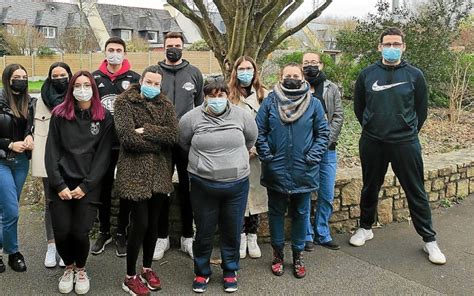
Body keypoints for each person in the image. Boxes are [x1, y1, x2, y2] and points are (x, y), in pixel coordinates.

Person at [350, 27, 446, 265]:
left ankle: (429, 240)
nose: (391, 48)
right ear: (379, 47)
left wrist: (407, 129)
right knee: (370, 186)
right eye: (387, 44)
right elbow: (359, 108)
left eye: (396, 44)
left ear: (403, 47)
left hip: (405, 142)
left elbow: (421, 111)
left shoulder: (415, 75)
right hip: (373, 141)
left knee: (415, 190)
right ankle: (365, 228)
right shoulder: (367, 74)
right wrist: (372, 126)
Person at [179, 81, 257, 293]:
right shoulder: (191, 118)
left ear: (227, 95)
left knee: (232, 230)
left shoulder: (242, 116)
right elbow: (183, 142)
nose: (217, 99)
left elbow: (250, 139)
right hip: (203, 186)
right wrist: (203, 164)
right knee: (204, 231)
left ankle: (230, 271)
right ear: (204, 97)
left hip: (237, 185)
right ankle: (202, 272)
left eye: (221, 94)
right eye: (212, 95)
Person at [256, 63, 329, 279]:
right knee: (276, 213)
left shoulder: (314, 104)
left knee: (301, 213)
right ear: (280, 77)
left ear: (303, 78)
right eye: (287, 75)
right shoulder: (270, 101)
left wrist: (312, 157)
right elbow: (259, 130)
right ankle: (278, 254)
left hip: (303, 170)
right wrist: (267, 155)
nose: (291, 78)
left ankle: (298, 255)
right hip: (275, 169)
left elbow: (323, 134)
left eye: (295, 75)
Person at [45, 71, 113, 294]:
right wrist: (59, 185)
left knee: (80, 232)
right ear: (71, 89)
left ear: (93, 88)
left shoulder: (104, 117)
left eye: (87, 85)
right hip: (62, 184)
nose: (82, 89)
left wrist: (85, 186)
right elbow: (51, 152)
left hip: (88, 185)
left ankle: (81, 269)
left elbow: (103, 157)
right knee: (62, 232)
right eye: (78, 85)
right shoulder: (60, 115)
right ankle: (69, 267)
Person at [113, 65, 178, 295]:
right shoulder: (123, 102)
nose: (152, 86)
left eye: (156, 83)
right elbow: (128, 138)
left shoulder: (166, 105)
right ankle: (129, 275)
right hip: (134, 172)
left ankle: (147, 268)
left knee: (153, 224)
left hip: (160, 173)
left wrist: (146, 129)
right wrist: (157, 140)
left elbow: (173, 134)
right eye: (148, 82)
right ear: (141, 80)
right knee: (139, 223)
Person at [154, 32, 204, 261]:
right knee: (162, 189)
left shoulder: (194, 74)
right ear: (163, 48)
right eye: (169, 45)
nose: (173, 48)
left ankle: (187, 237)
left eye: (177, 45)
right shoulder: (154, 73)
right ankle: (161, 237)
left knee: (188, 189)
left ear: (183, 47)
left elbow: (201, 108)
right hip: (161, 142)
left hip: (187, 142)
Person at [91, 37, 140, 257]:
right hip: (101, 145)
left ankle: (122, 232)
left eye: (118, 50)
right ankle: (104, 231)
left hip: (126, 145)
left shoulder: (135, 79)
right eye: (110, 50)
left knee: (126, 189)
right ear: (105, 52)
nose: (114, 53)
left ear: (125, 53)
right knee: (103, 188)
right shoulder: (93, 79)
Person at [302, 52, 344, 251]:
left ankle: (322, 232)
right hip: (304, 149)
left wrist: (325, 142)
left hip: (327, 150)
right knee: (306, 193)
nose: (310, 66)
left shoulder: (331, 88)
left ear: (321, 65)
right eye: (306, 63)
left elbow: (337, 116)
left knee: (326, 193)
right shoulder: (297, 86)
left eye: (314, 62)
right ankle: (307, 233)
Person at [32, 62, 73, 268]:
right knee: (50, 203)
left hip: (74, 161)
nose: (59, 79)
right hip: (48, 160)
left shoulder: (77, 98)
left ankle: (68, 246)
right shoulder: (40, 100)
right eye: (54, 75)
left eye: (63, 75)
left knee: (72, 203)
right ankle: (51, 245)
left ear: (69, 76)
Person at [228, 56, 268, 259]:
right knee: (239, 197)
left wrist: (256, 148)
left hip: (257, 155)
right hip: (236, 155)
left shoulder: (265, 95)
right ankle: (241, 236)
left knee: (257, 196)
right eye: (241, 68)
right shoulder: (228, 96)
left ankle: (253, 237)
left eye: (249, 68)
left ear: (255, 71)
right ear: (235, 71)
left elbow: (270, 125)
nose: (245, 72)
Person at [0, 64, 35, 273]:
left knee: (6, 209)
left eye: (24, 76)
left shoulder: (30, 102)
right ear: (7, 78)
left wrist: (30, 135)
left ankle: (9, 252)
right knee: (11, 210)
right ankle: (13, 251)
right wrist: (9, 144)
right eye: (16, 76)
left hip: (21, 163)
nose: (20, 80)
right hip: (2, 160)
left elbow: (32, 126)